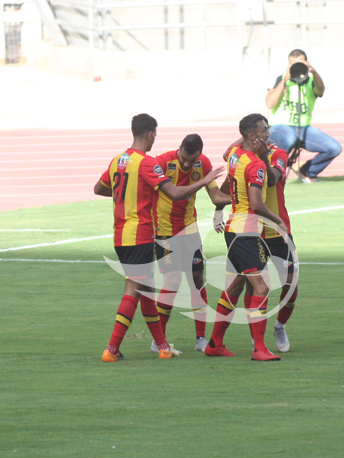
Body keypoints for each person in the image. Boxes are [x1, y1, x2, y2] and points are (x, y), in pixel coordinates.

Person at [93, 114, 221, 362]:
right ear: (150, 135)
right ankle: (112, 349)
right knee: (133, 289)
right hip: (140, 233)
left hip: (120, 234)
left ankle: (162, 346)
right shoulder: (148, 163)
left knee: (148, 290)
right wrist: (205, 181)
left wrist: (129, 194)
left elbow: (99, 188)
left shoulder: (118, 160)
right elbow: (173, 193)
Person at [203, 113, 288, 362]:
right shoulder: (255, 165)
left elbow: (229, 150)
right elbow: (257, 204)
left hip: (235, 228)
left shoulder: (234, 154)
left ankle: (215, 344)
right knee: (261, 287)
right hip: (246, 232)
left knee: (236, 286)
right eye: (263, 131)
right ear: (251, 136)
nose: (268, 134)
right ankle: (259, 349)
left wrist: (247, 138)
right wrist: (278, 220)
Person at [214, 133, 299, 354]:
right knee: (248, 285)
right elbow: (229, 180)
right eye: (263, 129)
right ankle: (256, 342)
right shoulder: (242, 155)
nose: (267, 133)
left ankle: (279, 327)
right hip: (251, 231)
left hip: (276, 231)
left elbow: (273, 179)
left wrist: (263, 156)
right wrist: (218, 209)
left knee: (290, 284)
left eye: (267, 130)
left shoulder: (278, 154)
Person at [150, 134, 229, 355]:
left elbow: (216, 196)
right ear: (180, 148)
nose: (186, 164)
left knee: (197, 281)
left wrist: (245, 198)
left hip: (189, 230)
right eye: (184, 158)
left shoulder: (203, 164)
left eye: (191, 160)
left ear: (199, 155)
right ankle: (158, 340)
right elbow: (171, 195)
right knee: (172, 281)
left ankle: (201, 339)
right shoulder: (163, 162)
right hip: (164, 231)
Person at [264, 49, 341, 183]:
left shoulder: (311, 80)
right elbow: (270, 103)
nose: (297, 67)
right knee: (289, 138)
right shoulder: (280, 78)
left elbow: (320, 90)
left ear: (307, 63)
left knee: (334, 147)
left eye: (300, 64)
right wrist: (285, 80)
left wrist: (314, 72)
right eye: (293, 65)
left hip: (304, 128)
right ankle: (274, 173)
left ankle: (307, 172)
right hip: (279, 126)